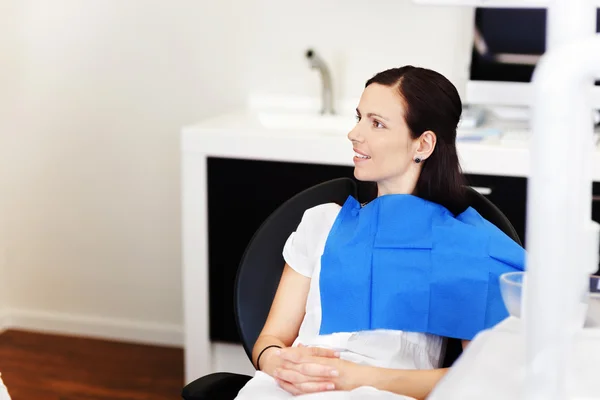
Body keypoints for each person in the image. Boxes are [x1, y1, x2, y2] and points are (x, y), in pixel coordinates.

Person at [234, 66, 525, 400]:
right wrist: (278, 362)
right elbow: (270, 339)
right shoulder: (322, 223)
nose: (355, 134)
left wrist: (355, 378)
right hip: (283, 388)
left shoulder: (468, 247)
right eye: (358, 118)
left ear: (423, 144)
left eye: (376, 123)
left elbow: (482, 377)